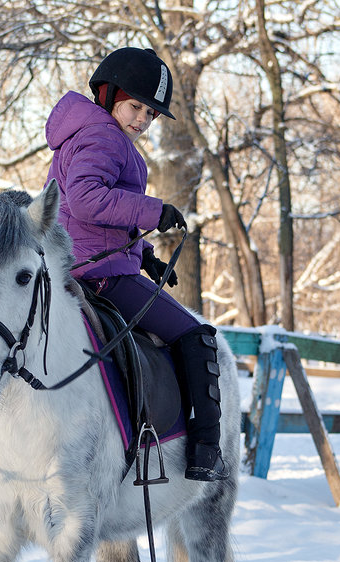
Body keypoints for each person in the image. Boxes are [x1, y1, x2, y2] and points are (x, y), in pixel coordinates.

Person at [45, 46, 228, 481]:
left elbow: (80, 216)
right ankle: (205, 449)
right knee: (195, 334)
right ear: (109, 95)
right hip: (102, 276)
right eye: (136, 107)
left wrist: (147, 258)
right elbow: (88, 200)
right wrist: (155, 211)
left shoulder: (83, 133)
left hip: (82, 264)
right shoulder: (105, 137)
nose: (143, 121)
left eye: (151, 114)